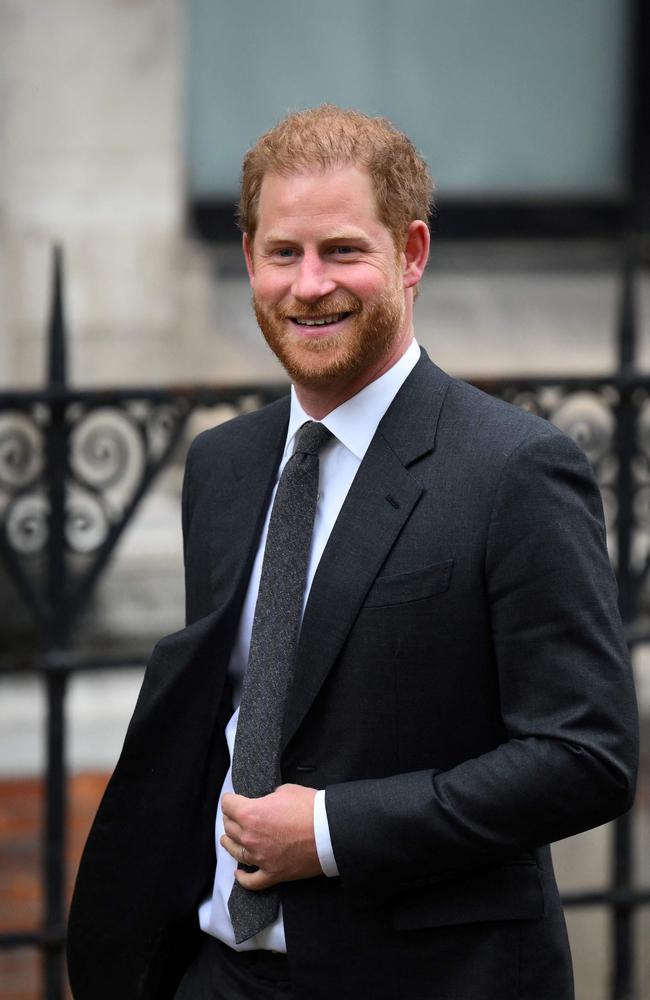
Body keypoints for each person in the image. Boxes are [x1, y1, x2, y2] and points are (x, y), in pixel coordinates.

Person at [67, 106, 638, 1000]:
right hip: (217, 975)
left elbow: (587, 756)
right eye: (283, 253)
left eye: (342, 250)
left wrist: (331, 831)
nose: (309, 286)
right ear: (249, 256)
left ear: (411, 254)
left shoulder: (516, 469)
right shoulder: (221, 466)